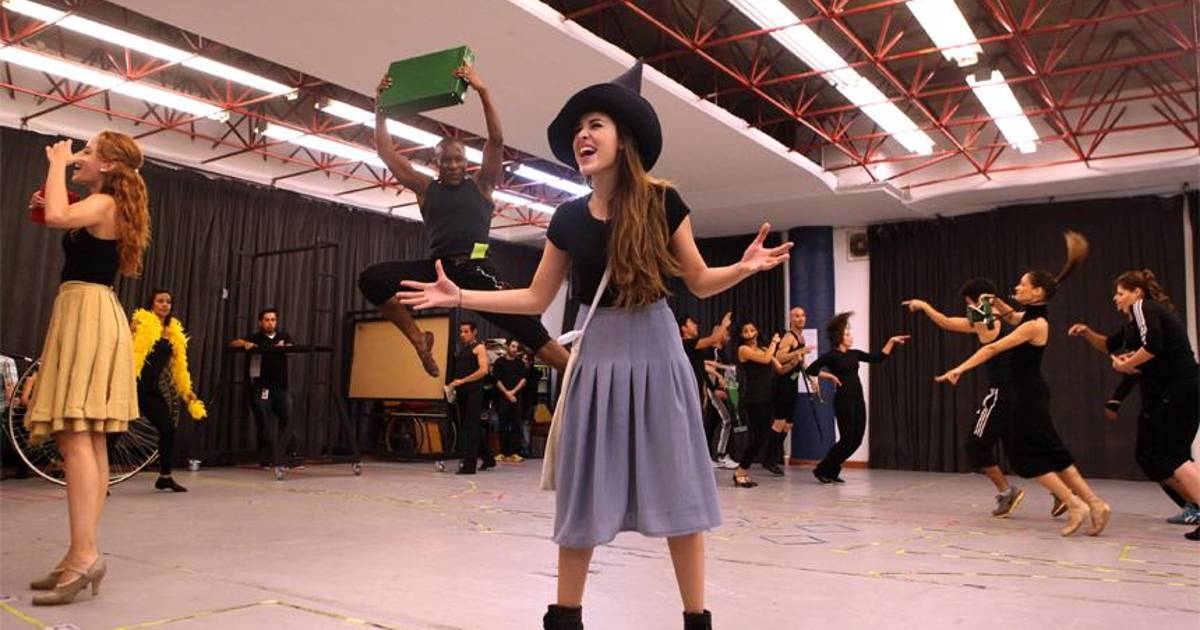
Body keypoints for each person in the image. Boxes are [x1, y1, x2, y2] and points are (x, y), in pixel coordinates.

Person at [396, 61, 791, 630]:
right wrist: (460, 295)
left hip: (658, 351)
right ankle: (566, 617)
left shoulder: (662, 202)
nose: (583, 135)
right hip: (597, 354)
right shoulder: (567, 218)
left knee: (679, 486)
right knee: (582, 489)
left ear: (623, 138)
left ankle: (695, 618)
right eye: (579, 128)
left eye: (596, 124)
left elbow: (699, 281)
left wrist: (744, 267)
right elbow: (535, 298)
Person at [357, 63, 568, 378]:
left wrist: (483, 92)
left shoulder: (482, 185)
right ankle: (418, 339)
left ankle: (578, 375)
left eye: (458, 160)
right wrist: (381, 109)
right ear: (436, 163)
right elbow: (387, 154)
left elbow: (496, 140)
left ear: (466, 162)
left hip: (477, 269)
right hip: (439, 270)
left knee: (530, 330)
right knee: (372, 279)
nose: (453, 165)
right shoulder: (425, 188)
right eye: (446, 161)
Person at [25, 131, 150, 604]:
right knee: (87, 438)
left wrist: (57, 163)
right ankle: (80, 553)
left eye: (89, 152)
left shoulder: (103, 204)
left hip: (88, 313)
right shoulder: (100, 203)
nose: (80, 156)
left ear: (111, 165)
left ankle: (83, 555)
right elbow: (53, 214)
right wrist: (51, 193)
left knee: (77, 435)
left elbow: (58, 216)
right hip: (87, 311)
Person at [936, 232, 1111, 537]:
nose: (1016, 288)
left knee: (1025, 459)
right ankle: (1095, 504)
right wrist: (995, 301)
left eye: (1022, 285)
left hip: (1026, 396)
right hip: (1032, 393)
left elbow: (993, 347)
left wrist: (959, 368)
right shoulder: (1032, 316)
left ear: (1037, 291)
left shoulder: (1034, 325)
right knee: (1054, 453)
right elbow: (1011, 316)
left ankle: (1074, 504)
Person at [1068, 269, 1200, 539]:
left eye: (1120, 293)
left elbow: (1153, 346)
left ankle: (1194, 506)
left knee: (1174, 456)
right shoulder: (1137, 321)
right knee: (1172, 455)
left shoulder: (1143, 307)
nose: (1115, 299)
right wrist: (1088, 333)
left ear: (1137, 292)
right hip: (1181, 388)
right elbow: (1112, 345)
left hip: (1180, 388)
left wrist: (1125, 365)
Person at [904, 279, 1027, 518]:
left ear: (975, 301)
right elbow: (950, 321)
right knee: (1019, 451)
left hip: (1002, 393)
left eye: (968, 303)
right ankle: (1063, 493)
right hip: (1020, 393)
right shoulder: (1008, 319)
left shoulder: (987, 323)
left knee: (975, 444)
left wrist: (923, 305)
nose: (967, 308)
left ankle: (1007, 492)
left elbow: (956, 321)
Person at [805, 313, 908, 484]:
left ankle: (831, 471)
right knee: (846, 440)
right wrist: (829, 376)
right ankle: (822, 470)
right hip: (843, 401)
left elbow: (878, 358)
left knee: (856, 440)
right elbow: (810, 370)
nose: (851, 337)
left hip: (858, 399)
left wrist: (891, 341)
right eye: (847, 334)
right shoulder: (831, 356)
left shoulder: (854, 354)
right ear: (839, 337)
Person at [130, 289, 206, 492]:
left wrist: (187, 392)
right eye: (160, 301)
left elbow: (178, 368)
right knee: (115, 431)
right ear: (152, 304)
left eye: (168, 302)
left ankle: (165, 477)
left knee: (168, 429)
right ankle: (100, 479)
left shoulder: (174, 332)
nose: (165, 304)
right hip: (130, 386)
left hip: (150, 390)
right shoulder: (141, 323)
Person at [229, 308, 297, 468]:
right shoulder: (255, 337)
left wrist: (286, 348)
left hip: (281, 387)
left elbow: (292, 350)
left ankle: (290, 456)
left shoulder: (283, 336)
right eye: (267, 320)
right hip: (261, 387)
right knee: (264, 423)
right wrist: (245, 344)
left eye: (273, 320)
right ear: (260, 322)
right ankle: (265, 458)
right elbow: (233, 343)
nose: (270, 323)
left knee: (287, 419)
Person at [764, 306, 814, 475]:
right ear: (791, 319)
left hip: (792, 382)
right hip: (782, 384)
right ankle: (769, 460)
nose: (801, 318)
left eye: (803, 315)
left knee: (788, 424)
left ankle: (773, 456)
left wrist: (812, 379)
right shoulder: (789, 337)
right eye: (797, 316)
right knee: (779, 422)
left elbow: (800, 363)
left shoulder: (801, 338)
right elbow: (778, 357)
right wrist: (799, 352)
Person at [732, 322, 779, 488]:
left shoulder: (764, 349)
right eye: (745, 331)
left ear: (757, 332)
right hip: (754, 397)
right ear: (742, 335)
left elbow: (779, 367)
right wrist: (774, 342)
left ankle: (742, 471)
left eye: (752, 330)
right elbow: (766, 360)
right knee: (757, 437)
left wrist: (796, 356)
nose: (749, 333)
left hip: (767, 396)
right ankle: (740, 471)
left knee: (762, 436)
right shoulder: (743, 350)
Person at [448, 321, 493, 474]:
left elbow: (483, 370)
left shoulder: (479, 348)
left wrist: (463, 381)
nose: (463, 334)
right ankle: (488, 458)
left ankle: (469, 465)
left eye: (466, 331)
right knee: (469, 427)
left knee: (471, 428)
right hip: (462, 392)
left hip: (474, 391)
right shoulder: (462, 350)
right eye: (461, 331)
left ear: (474, 332)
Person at [492, 339, 527, 463]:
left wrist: (513, 392)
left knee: (516, 424)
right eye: (513, 346)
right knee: (503, 424)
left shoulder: (520, 363)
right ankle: (503, 452)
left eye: (516, 347)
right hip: (503, 397)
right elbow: (497, 380)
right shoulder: (499, 362)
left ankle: (515, 452)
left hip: (516, 397)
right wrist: (506, 393)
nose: (515, 349)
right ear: (507, 347)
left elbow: (524, 379)